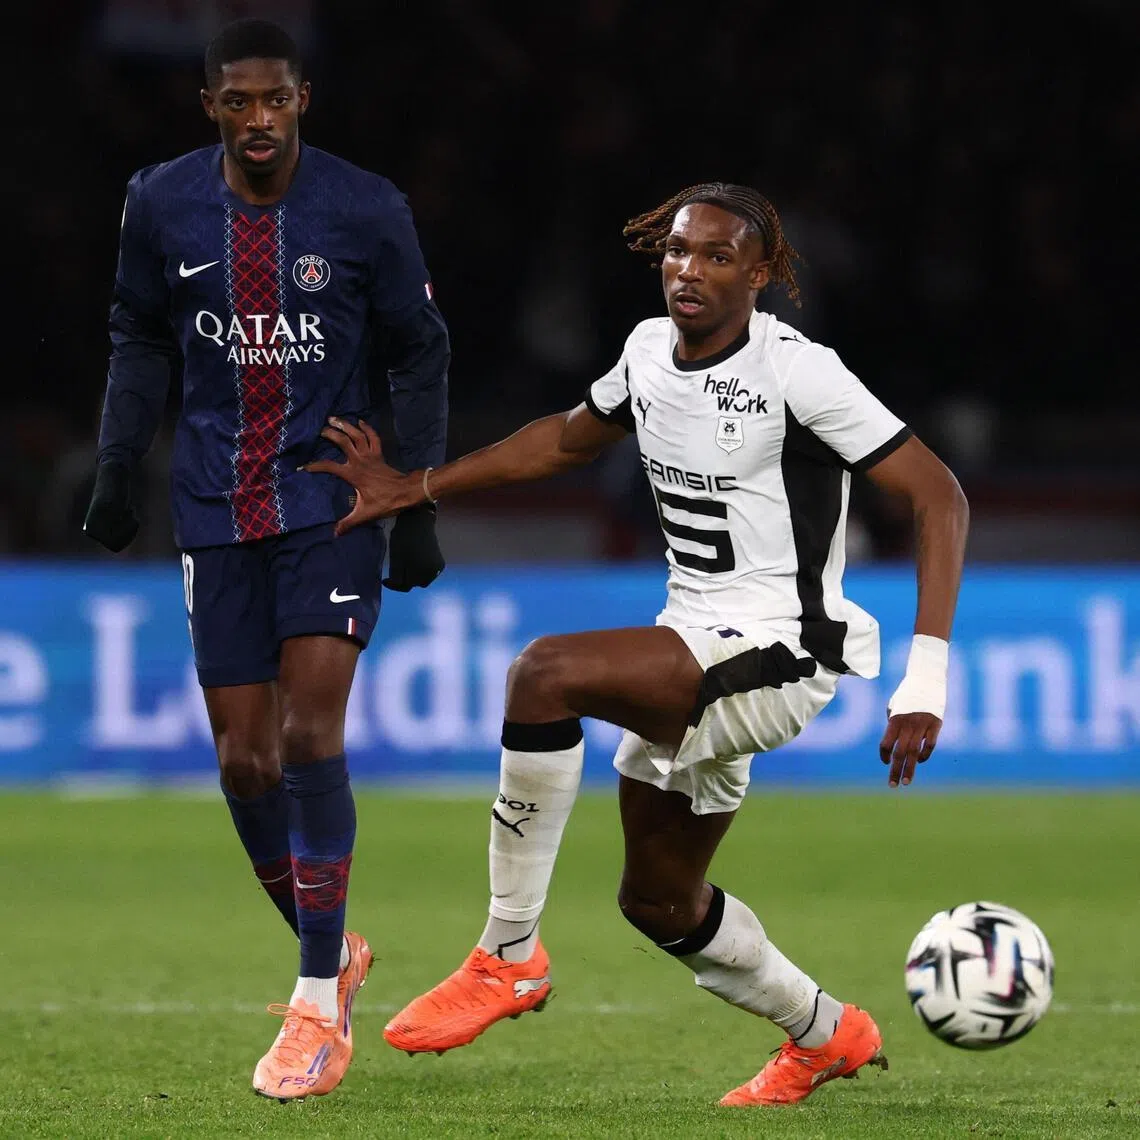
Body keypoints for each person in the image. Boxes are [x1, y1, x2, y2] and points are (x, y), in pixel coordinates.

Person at [306, 182, 969, 1108]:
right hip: (691, 639)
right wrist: (417, 486)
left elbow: (939, 495)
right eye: (678, 251)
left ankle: (507, 954)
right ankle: (827, 1034)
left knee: (545, 674)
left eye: (718, 256)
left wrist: (924, 677)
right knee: (659, 902)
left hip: (780, 651)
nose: (689, 271)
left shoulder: (799, 372)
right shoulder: (649, 350)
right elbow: (565, 442)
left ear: (761, 275)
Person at [81, 17, 449, 1101]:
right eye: (237, 101)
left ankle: (313, 1001)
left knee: (306, 733)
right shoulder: (160, 201)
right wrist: (118, 464)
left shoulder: (364, 207)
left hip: (330, 495)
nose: (257, 119)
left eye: (275, 100)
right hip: (213, 499)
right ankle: (335, 947)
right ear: (210, 105)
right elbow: (138, 333)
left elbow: (421, 350)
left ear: (302, 102)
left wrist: (417, 496)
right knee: (245, 763)